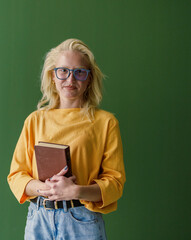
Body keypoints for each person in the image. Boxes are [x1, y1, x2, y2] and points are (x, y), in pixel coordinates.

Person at [7, 38, 126, 240]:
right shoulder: (35, 120)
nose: (70, 80)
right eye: (63, 71)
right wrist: (48, 189)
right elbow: (16, 176)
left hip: (82, 221)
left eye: (79, 72)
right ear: (53, 76)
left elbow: (114, 185)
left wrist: (75, 191)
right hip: (39, 220)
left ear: (89, 79)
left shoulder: (106, 122)